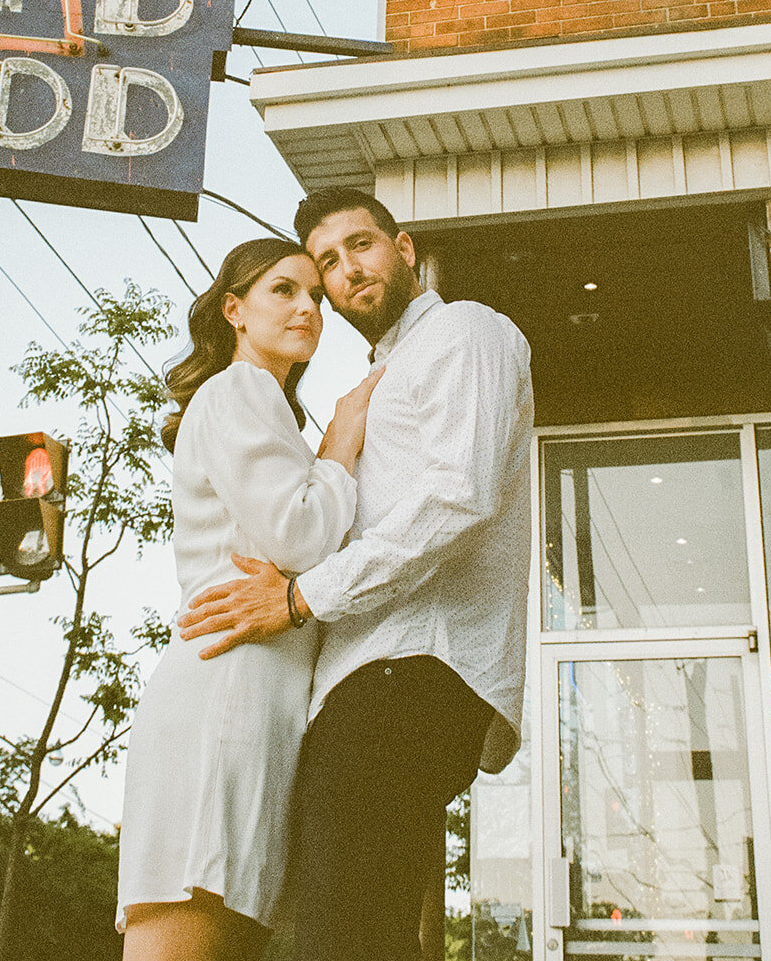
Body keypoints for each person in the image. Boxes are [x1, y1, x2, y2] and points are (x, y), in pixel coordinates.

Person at [178, 187, 533, 961]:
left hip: (413, 668)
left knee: (343, 931)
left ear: (404, 249)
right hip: (371, 678)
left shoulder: (465, 331)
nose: (346, 272)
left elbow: (457, 496)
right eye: (326, 264)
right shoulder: (386, 371)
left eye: (360, 246)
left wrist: (301, 598)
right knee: (359, 928)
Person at [116, 236, 381, 961]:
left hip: (257, 688)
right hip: (226, 689)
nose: (307, 308)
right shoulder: (240, 389)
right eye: (284, 290)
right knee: (192, 922)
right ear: (233, 309)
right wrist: (339, 445)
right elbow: (298, 538)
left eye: (316, 297)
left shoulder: (267, 408)